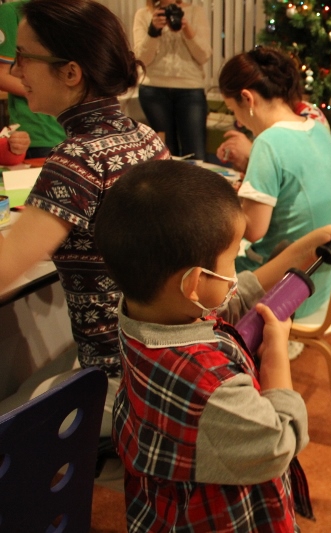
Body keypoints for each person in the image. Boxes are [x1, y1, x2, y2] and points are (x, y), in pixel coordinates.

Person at [96, 160, 327, 532]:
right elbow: (279, 442)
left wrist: (301, 251)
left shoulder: (144, 314)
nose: (235, 273)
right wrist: (276, 354)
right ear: (194, 284)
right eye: (232, 260)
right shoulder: (210, 385)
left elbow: (229, 302)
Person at [0, 0, 170, 437]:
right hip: (159, 361)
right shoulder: (143, 136)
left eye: (23, 57)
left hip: (118, 382)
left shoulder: (77, 160)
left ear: (71, 73)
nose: (15, 71)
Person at [218, 45, 331, 319]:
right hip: (319, 283)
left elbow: (253, 230)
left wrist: (224, 203)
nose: (238, 121)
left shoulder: (268, 142)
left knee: (200, 279)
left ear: (247, 99)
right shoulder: (317, 127)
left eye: (233, 110)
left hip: (286, 292)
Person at [133, 0, 211, 160]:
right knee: (165, 153)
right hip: (153, 90)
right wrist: (153, 31)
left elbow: (204, 56)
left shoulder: (196, 13)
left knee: (196, 152)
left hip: (190, 88)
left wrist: (187, 30)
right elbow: (141, 59)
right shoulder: (144, 14)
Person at [0, 0, 66, 159]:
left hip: (74, 128)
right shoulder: (12, 12)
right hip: (38, 133)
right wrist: (51, 93)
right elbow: (2, 75)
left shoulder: (74, 12)